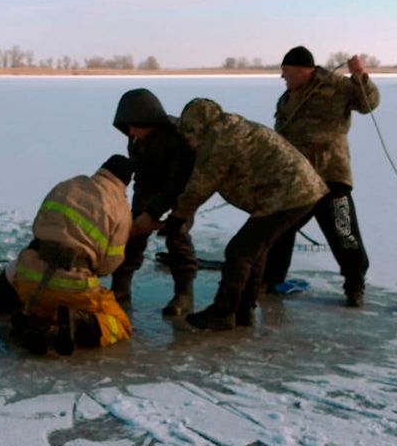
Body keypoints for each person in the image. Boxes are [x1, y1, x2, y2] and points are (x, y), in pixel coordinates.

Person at [160, 98, 328, 331]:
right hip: (297, 191)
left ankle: (223, 312)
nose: (189, 140)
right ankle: (244, 311)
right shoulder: (225, 127)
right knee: (254, 252)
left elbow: (201, 186)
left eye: (190, 133)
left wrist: (177, 218)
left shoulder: (219, 141)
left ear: (199, 127)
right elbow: (182, 128)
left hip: (289, 194)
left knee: (239, 252)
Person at [0, 155, 134, 355]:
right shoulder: (121, 208)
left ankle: (38, 324)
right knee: (120, 324)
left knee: (27, 287)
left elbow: (39, 228)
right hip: (73, 288)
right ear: (125, 183)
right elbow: (109, 265)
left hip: (30, 277)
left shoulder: (67, 186)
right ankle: (76, 325)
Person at [263, 46, 381, 307]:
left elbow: (368, 103)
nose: (282, 77)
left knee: (344, 232)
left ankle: (354, 286)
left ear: (302, 70)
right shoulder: (286, 99)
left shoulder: (336, 87)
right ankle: (271, 280)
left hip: (332, 179)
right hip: (298, 182)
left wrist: (360, 76)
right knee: (279, 230)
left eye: (285, 72)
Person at [110, 88, 198, 316]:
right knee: (133, 231)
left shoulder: (180, 138)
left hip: (185, 189)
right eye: (126, 127)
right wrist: (141, 211)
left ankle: (184, 294)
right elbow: (141, 175)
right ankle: (120, 286)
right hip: (152, 187)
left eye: (133, 125)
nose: (130, 132)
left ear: (148, 119)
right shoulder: (136, 139)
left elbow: (180, 182)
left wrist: (156, 212)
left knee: (177, 234)